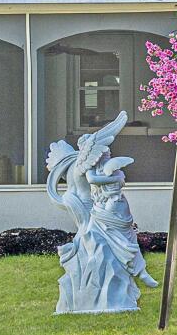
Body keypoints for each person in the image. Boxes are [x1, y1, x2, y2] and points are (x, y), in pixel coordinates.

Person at [43, 113, 158, 315]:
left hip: (86, 205)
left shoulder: (74, 167)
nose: (104, 156)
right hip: (89, 207)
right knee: (106, 238)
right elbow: (93, 181)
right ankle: (136, 270)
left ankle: (135, 272)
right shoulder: (84, 167)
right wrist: (114, 181)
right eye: (102, 152)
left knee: (105, 238)